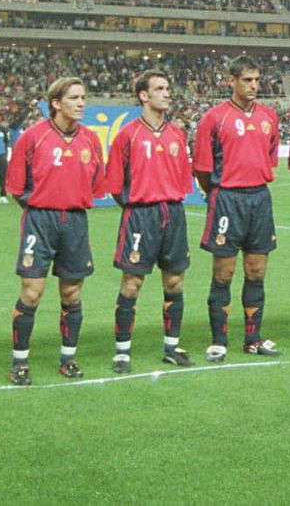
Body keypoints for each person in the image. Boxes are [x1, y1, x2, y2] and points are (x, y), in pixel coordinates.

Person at [4, 76, 106, 385]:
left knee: (72, 294)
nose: (81, 103)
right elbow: (16, 187)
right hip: (39, 221)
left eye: (83, 97)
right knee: (31, 292)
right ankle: (19, 362)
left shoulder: (91, 140)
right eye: (74, 98)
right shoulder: (32, 137)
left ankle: (68, 359)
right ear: (56, 103)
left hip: (75, 222)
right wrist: (42, 206)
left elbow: (96, 186)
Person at [193, 57, 282, 362]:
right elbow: (202, 169)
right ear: (231, 81)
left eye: (257, 80)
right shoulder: (214, 118)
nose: (253, 86)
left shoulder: (269, 117)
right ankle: (219, 341)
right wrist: (216, 194)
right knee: (224, 273)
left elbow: (270, 159)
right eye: (247, 80)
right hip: (226, 199)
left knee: (256, 271)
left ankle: (252, 340)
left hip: (259, 198)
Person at [106, 71, 195, 371]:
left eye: (168, 88)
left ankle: (171, 347)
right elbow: (115, 185)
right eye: (159, 88)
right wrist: (138, 206)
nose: (167, 93)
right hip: (140, 216)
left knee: (175, 281)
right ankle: (122, 351)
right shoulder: (127, 135)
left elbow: (183, 180)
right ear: (144, 96)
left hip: (174, 214)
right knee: (132, 283)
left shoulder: (178, 135)